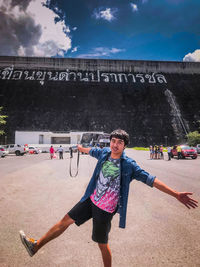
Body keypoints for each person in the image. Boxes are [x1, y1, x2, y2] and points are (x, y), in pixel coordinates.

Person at [19, 129, 198, 267]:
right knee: (64, 221)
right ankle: (35, 246)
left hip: (105, 210)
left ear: (124, 146)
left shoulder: (129, 165)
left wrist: (175, 194)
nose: (115, 145)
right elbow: (90, 150)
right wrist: (80, 148)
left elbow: (152, 180)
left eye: (120, 142)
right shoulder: (104, 153)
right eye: (113, 141)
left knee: (102, 244)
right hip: (91, 200)